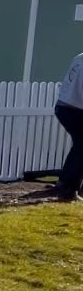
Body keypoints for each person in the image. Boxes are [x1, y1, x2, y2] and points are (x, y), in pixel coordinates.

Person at [53, 50, 83, 201]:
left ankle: (64, 183)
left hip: (64, 106)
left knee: (79, 146)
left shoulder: (79, 57)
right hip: (75, 109)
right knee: (81, 147)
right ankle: (69, 189)